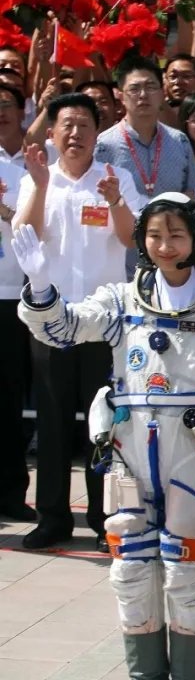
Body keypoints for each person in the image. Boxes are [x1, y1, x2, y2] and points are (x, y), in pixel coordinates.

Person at [12, 194, 195, 680]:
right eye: (154, 236)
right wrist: (41, 286)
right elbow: (63, 330)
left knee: (187, 573)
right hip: (130, 454)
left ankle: (188, 673)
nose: (165, 246)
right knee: (129, 571)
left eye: (176, 235)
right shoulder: (120, 302)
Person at [13, 93, 142, 551]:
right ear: (51, 133)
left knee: (103, 425)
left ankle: (105, 520)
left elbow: (132, 238)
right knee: (52, 421)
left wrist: (115, 201)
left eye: (84, 125)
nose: (75, 133)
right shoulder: (37, 178)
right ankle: (52, 518)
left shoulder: (115, 178)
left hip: (103, 322)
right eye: (66, 125)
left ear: (96, 133)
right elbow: (25, 234)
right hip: (52, 319)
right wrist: (40, 185)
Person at [96, 56, 195, 208]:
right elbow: (96, 199)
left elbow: (190, 196)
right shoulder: (104, 145)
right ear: (120, 96)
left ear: (162, 92)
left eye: (150, 87)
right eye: (134, 89)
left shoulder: (179, 141)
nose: (143, 95)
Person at [0, 158, 32, 521]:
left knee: (8, 400)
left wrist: (4, 209)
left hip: (7, 297)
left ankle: (10, 493)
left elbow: (32, 231)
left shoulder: (18, 175)